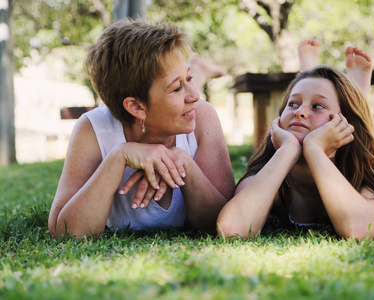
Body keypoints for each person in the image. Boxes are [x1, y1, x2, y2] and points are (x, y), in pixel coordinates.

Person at [217, 40, 374, 240]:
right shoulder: (270, 175)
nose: (300, 112)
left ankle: (360, 99)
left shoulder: (372, 177)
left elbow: (361, 230)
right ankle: (319, 81)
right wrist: (288, 149)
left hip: (367, 165)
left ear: (343, 124)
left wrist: (314, 148)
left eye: (317, 106)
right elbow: (232, 229)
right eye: (293, 103)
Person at [48, 19, 235, 238]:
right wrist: (119, 156)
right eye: (177, 88)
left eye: (190, 77)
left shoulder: (202, 116)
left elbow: (228, 221)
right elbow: (65, 232)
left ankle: (198, 69)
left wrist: (184, 163)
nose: (195, 95)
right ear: (136, 106)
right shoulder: (93, 128)